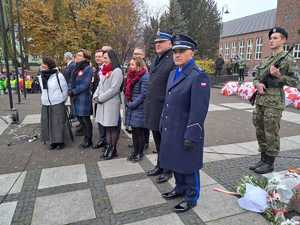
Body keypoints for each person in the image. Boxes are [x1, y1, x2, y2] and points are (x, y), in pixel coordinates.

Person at [159, 34, 210, 213]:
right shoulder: (174, 73)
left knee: (188, 166)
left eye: (182, 51)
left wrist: (192, 134)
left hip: (186, 129)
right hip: (172, 127)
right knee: (175, 161)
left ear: (192, 53)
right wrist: (162, 122)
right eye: (175, 51)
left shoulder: (198, 76)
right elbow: (168, 100)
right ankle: (179, 188)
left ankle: (191, 197)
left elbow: (199, 110)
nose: (177, 55)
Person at [250, 27, 300, 174]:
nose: (272, 40)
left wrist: (279, 76)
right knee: (260, 130)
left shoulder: (288, 59)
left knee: (271, 132)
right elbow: (256, 77)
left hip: (274, 102)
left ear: (284, 40)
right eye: (271, 38)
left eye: (276, 38)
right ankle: (263, 159)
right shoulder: (267, 59)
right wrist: (257, 84)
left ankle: (270, 163)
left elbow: (296, 82)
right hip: (260, 100)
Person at [144, 31, 175, 183]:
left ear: (169, 44)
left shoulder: (172, 59)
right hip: (154, 107)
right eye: (156, 42)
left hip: (164, 107)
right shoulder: (158, 59)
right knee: (157, 138)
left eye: (161, 42)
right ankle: (160, 165)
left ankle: (168, 169)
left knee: (166, 141)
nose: (157, 44)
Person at [93, 50, 123, 160]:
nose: (103, 60)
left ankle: (113, 149)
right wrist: (95, 96)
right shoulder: (105, 70)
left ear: (112, 58)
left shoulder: (117, 71)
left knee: (112, 128)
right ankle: (108, 147)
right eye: (103, 58)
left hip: (111, 104)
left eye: (106, 58)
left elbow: (114, 89)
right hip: (103, 103)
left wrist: (100, 98)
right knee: (107, 128)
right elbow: (99, 86)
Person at [39, 56, 68, 150]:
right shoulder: (41, 76)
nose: (41, 65)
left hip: (57, 102)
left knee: (58, 122)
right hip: (46, 102)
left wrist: (61, 99)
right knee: (48, 122)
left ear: (48, 65)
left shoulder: (58, 75)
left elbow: (64, 89)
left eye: (43, 63)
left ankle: (60, 142)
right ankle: (53, 141)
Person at [125, 57, 149, 161]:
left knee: (140, 132)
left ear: (139, 66)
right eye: (130, 64)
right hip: (132, 106)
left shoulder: (145, 76)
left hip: (140, 108)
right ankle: (135, 151)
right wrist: (128, 102)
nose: (130, 67)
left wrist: (132, 104)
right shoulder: (131, 75)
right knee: (134, 131)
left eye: (132, 65)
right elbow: (127, 90)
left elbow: (143, 94)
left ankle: (140, 152)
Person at [69, 49, 94, 149]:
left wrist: (73, 91)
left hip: (83, 98)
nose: (77, 57)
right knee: (79, 117)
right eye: (77, 55)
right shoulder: (76, 67)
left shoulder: (88, 68)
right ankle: (85, 135)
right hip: (75, 97)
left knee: (85, 119)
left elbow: (85, 84)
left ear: (85, 58)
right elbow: (71, 80)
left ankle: (88, 139)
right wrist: (70, 88)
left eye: (79, 55)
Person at [132, 47, 150, 150]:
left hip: (142, 102)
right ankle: (138, 143)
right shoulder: (133, 64)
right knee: (136, 127)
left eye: (138, 53)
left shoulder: (145, 67)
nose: (136, 55)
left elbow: (145, 90)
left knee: (143, 125)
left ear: (143, 55)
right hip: (134, 100)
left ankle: (144, 142)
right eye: (134, 53)